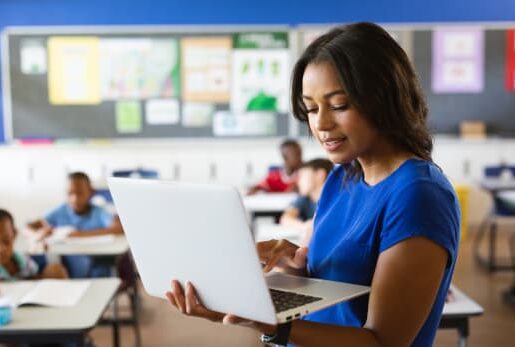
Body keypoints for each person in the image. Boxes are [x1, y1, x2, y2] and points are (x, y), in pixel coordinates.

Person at [165, 22, 460, 347]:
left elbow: (383, 342)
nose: (320, 124)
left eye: (338, 106)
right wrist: (290, 272)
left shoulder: (419, 194)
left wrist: (268, 324)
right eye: (311, 108)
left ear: (384, 97)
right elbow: (331, 286)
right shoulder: (342, 177)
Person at [27, 172, 123, 278]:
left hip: (97, 261)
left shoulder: (98, 212)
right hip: (69, 264)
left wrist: (79, 234)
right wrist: (37, 235)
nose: (74, 198)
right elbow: (29, 226)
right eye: (70, 193)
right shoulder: (61, 210)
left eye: (80, 193)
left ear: (91, 193)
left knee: (101, 272)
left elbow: (119, 228)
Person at [0, 209, 67, 280]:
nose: (1, 249)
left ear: (15, 234)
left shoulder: (20, 260)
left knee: (55, 270)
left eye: (6, 241)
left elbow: (34, 277)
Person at [279, 158, 333, 244]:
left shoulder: (337, 200)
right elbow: (286, 218)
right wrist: (305, 226)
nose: (298, 182)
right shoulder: (304, 198)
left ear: (320, 175)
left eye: (302, 176)